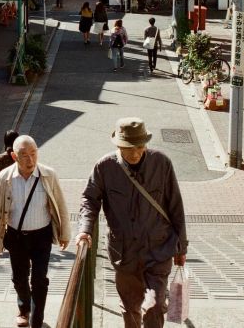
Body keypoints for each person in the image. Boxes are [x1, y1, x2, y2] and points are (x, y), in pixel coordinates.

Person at [76, 118, 188, 328]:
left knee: (154, 306)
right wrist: (85, 230)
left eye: (140, 146)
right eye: (129, 148)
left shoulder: (162, 163)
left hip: (159, 249)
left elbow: (175, 206)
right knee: (130, 308)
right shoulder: (105, 167)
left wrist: (182, 246)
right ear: (118, 145)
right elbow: (89, 200)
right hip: (124, 253)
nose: (135, 153)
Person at [0, 135, 70, 328]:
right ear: (14, 156)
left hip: (42, 235)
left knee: (39, 280)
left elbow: (61, 204)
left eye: (34, 154)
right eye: (24, 155)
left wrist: (65, 232)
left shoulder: (48, 174)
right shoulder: (4, 178)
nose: (30, 160)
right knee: (19, 278)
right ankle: (24, 307)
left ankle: (36, 320)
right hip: (16, 236)